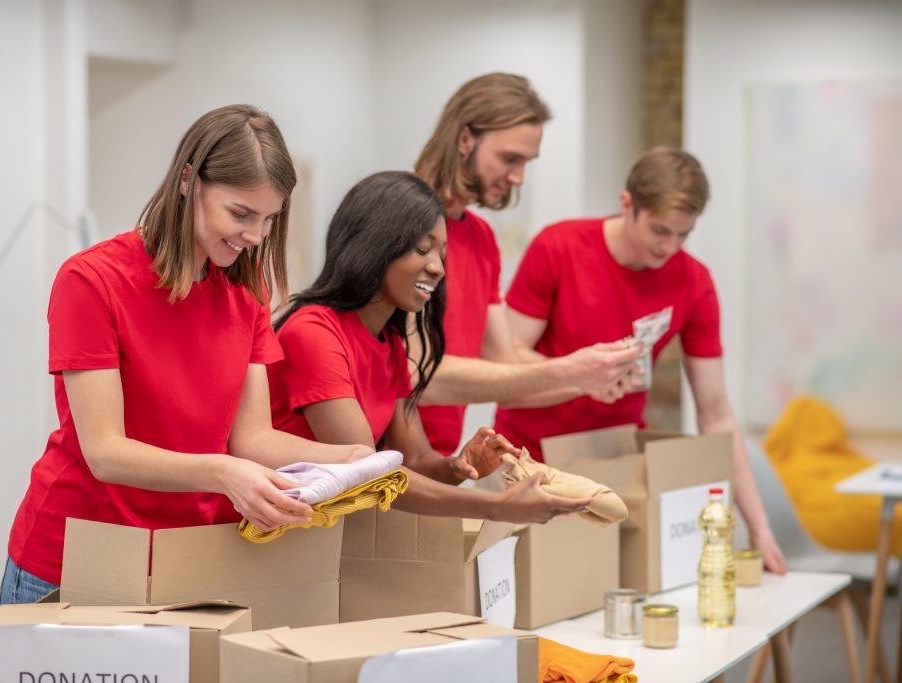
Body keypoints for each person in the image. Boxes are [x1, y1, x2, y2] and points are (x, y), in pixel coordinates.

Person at [1, 105, 370, 604]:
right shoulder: (91, 281)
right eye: (240, 214)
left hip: (186, 556)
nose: (256, 236)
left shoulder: (247, 294)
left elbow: (253, 438)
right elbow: (105, 451)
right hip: (77, 554)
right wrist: (221, 472)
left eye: (268, 219)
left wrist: (345, 460)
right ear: (188, 181)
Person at [494, 147, 788, 573]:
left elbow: (717, 413)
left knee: (607, 605)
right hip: (528, 459)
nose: (669, 247)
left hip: (612, 462)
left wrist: (758, 528)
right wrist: (582, 378)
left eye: (683, 235)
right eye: (659, 230)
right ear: (627, 204)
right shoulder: (559, 247)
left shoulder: (693, 281)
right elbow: (506, 358)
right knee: (529, 604)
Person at [268, 171, 591, 522]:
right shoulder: (313, 332)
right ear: (374, 246)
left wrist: (460, 464)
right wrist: (499, 506)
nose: (437, 268)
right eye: (422, 250)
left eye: (442, 253)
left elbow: (417, 458)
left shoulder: (389, 343)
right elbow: (369, 474)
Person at [411, 73, 643, 458]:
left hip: (435, 462)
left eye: (525, 162)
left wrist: (589, 378)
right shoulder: (399, 221)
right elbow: (417, 374)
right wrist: (573, 372)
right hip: (375, 464)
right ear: (465, 139)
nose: (518, 177)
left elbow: (508, 367)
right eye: (509, 159)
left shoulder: (481, 237)